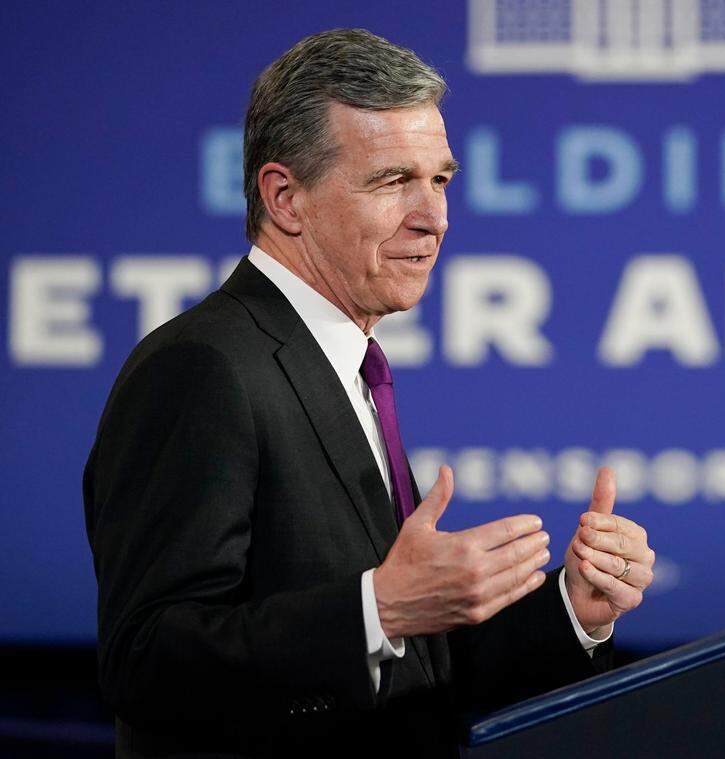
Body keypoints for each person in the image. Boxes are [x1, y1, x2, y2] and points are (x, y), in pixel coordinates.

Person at [83, 28, 656, 757]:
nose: (435, 216)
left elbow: (417, 673)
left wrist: (575, 607)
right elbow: (148, 660)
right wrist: (376, 610)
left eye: (441, 180)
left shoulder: (345, 365)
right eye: (393, 181)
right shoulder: (202, 368)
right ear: (285, 197)